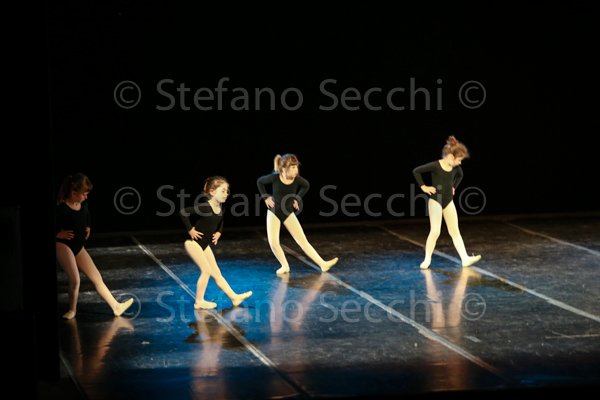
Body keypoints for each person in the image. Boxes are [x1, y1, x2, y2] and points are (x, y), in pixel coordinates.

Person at [55, 173, 134, 319]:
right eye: (84, 194)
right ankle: (72, 310)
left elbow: (87, 215)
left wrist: (88, 226)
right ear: (74, 193)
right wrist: (57, 234)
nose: (86, 197)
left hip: (78, 247)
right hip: (64, 245)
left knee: (96, 277)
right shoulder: (62, 209)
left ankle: (116, 306)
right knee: (75, 279)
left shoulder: (83, 204)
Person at [257, 154, 338, 275]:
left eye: (296, 167)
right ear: (284, 169)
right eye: (293, 167)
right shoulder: (275, 178)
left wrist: (297, 198)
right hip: (274, 212)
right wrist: (265, 197)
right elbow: (260, 182)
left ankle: (323, 264)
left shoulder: (298, 180)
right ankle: (284, 265)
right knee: (273, 242)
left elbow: (306, 185)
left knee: (303, 241)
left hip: (288, 213)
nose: (296, 170)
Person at [180, 176, 252, 310]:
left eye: (227, 191)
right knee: (206, 271)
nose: (226, 194)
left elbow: (220, 220)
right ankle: (199, 302)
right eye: (223, 191)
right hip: (193, 243)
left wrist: (219, 232)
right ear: (212, 192)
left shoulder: (220, 207)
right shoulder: (205, 207)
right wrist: (190, 229)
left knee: (216, 273)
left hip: (204, 245)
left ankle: (234, 297)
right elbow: (183, 212)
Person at [412, 136, 482, 270]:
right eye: (459, 160)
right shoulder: (435, 166)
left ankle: (465, 258)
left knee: (455, 231)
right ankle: (427, 258)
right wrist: (424, 187)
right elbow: (416, 171)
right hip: (435, 200)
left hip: (448, 201)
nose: (460, 163)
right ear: (450, 157)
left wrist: (454, 186)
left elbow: (460, 175)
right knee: (435, 231)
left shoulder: (455, 169)